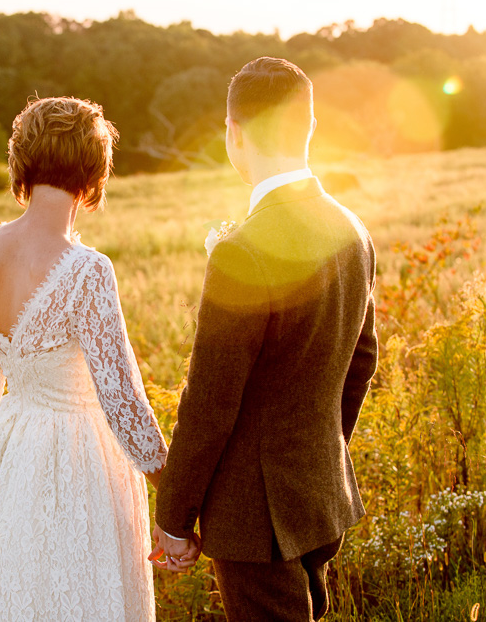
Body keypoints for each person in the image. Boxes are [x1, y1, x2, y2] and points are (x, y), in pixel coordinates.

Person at [152, 57, 379, 621]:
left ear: (234, 134)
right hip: (319, 496)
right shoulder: (352, 228)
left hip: (256, 519)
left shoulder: (243, 250)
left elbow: (210, 400)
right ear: (309, 127)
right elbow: (363, 360)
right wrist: (319, 450)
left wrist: (174, 519)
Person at [0, 96, 181, 621]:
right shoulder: (87, 270)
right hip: (77, 463)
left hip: (9, 454)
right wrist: (179, 499)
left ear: (22, 162)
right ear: (95, 172)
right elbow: (123, 404)